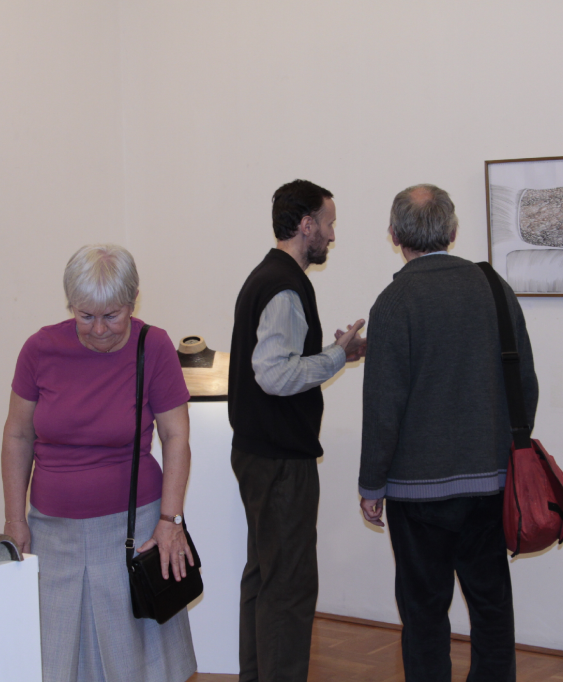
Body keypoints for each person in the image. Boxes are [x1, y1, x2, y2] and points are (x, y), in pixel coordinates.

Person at [358, 185, 538, 682]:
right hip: (489, 484)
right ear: (453, 231)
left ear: (394, 235)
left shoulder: (394, 303)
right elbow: (524, 385)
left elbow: (383, 409)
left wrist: (371, 485)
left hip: (417, 493)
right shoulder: (494, 289)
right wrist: (503, 451)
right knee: (492, 607)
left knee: (423, 613)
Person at [1, 244, 197, 682]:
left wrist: (171, 520)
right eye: (85, 315)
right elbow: (17, 435)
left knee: (134, 663)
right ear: (70, 305)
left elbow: (176, 436)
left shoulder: (153, 345)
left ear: (133, 301)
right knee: (55, 660)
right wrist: (15, 519)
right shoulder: (40, 349)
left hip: (133, 529)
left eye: (112, 315)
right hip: (53, 532)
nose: (99, 329)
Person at [228, 179, 366, 682]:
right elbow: (275, 374)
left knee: (265, 577)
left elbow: (274, 365)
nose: (332, 235)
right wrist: (336, 357)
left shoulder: (266, 276)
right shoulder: (285, 286)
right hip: (281, 463)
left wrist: (335, 355)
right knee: (288, 587)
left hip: (260, 455)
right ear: (306, 225)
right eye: (328, 223)